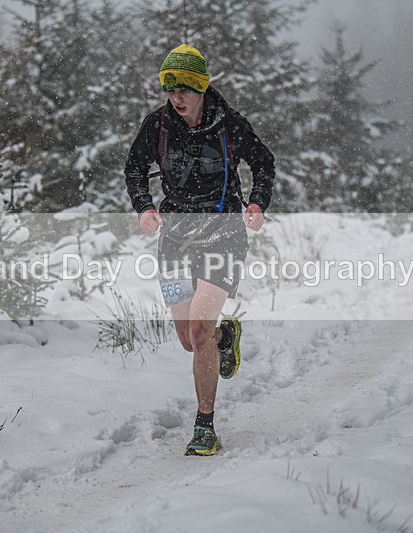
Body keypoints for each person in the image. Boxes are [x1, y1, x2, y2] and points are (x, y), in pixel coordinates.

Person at [124, 44, 275, 456]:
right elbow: (134, 169)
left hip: (224, 238)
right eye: (169, 87)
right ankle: (227, 336)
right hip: (175, 241)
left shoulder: (229, 126)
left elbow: (263, 161)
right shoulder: (157, 126)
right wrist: (145, 207)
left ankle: (204, 425)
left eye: (185, 87)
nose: (177, 96)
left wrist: (258, 201)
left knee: (198, 329)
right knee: (187, 340)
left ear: (201, 87)